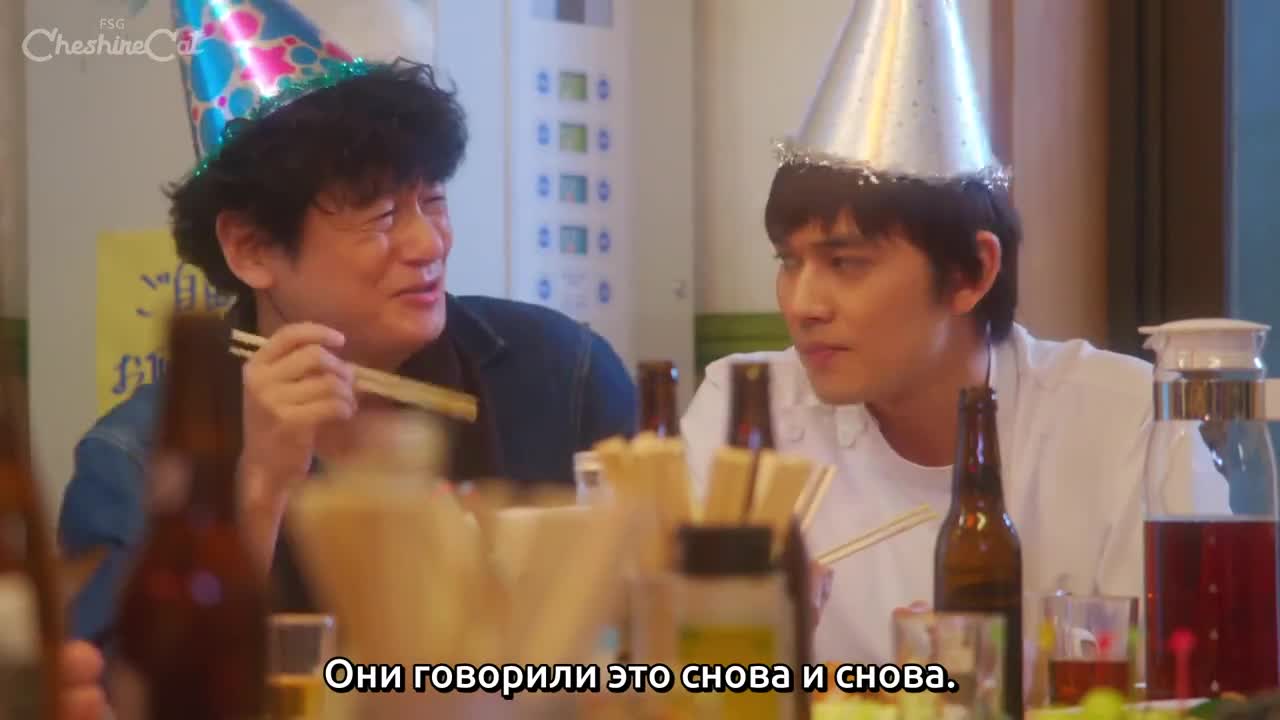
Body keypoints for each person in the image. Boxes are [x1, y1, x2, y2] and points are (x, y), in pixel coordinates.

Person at [57, 43, 635, 646]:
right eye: (380, 215)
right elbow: (129, 685)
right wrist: (260, 487)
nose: (429, 244)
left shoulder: (563, 375)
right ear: (252, 248)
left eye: (433, 200)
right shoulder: (136, 456)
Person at [680, 0, 1154, 665]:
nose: (802, 305)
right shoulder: (747, 408)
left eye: (846, 263)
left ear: (971, 272)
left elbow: (1194, 686)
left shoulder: (1123, 419)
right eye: (789, 262)